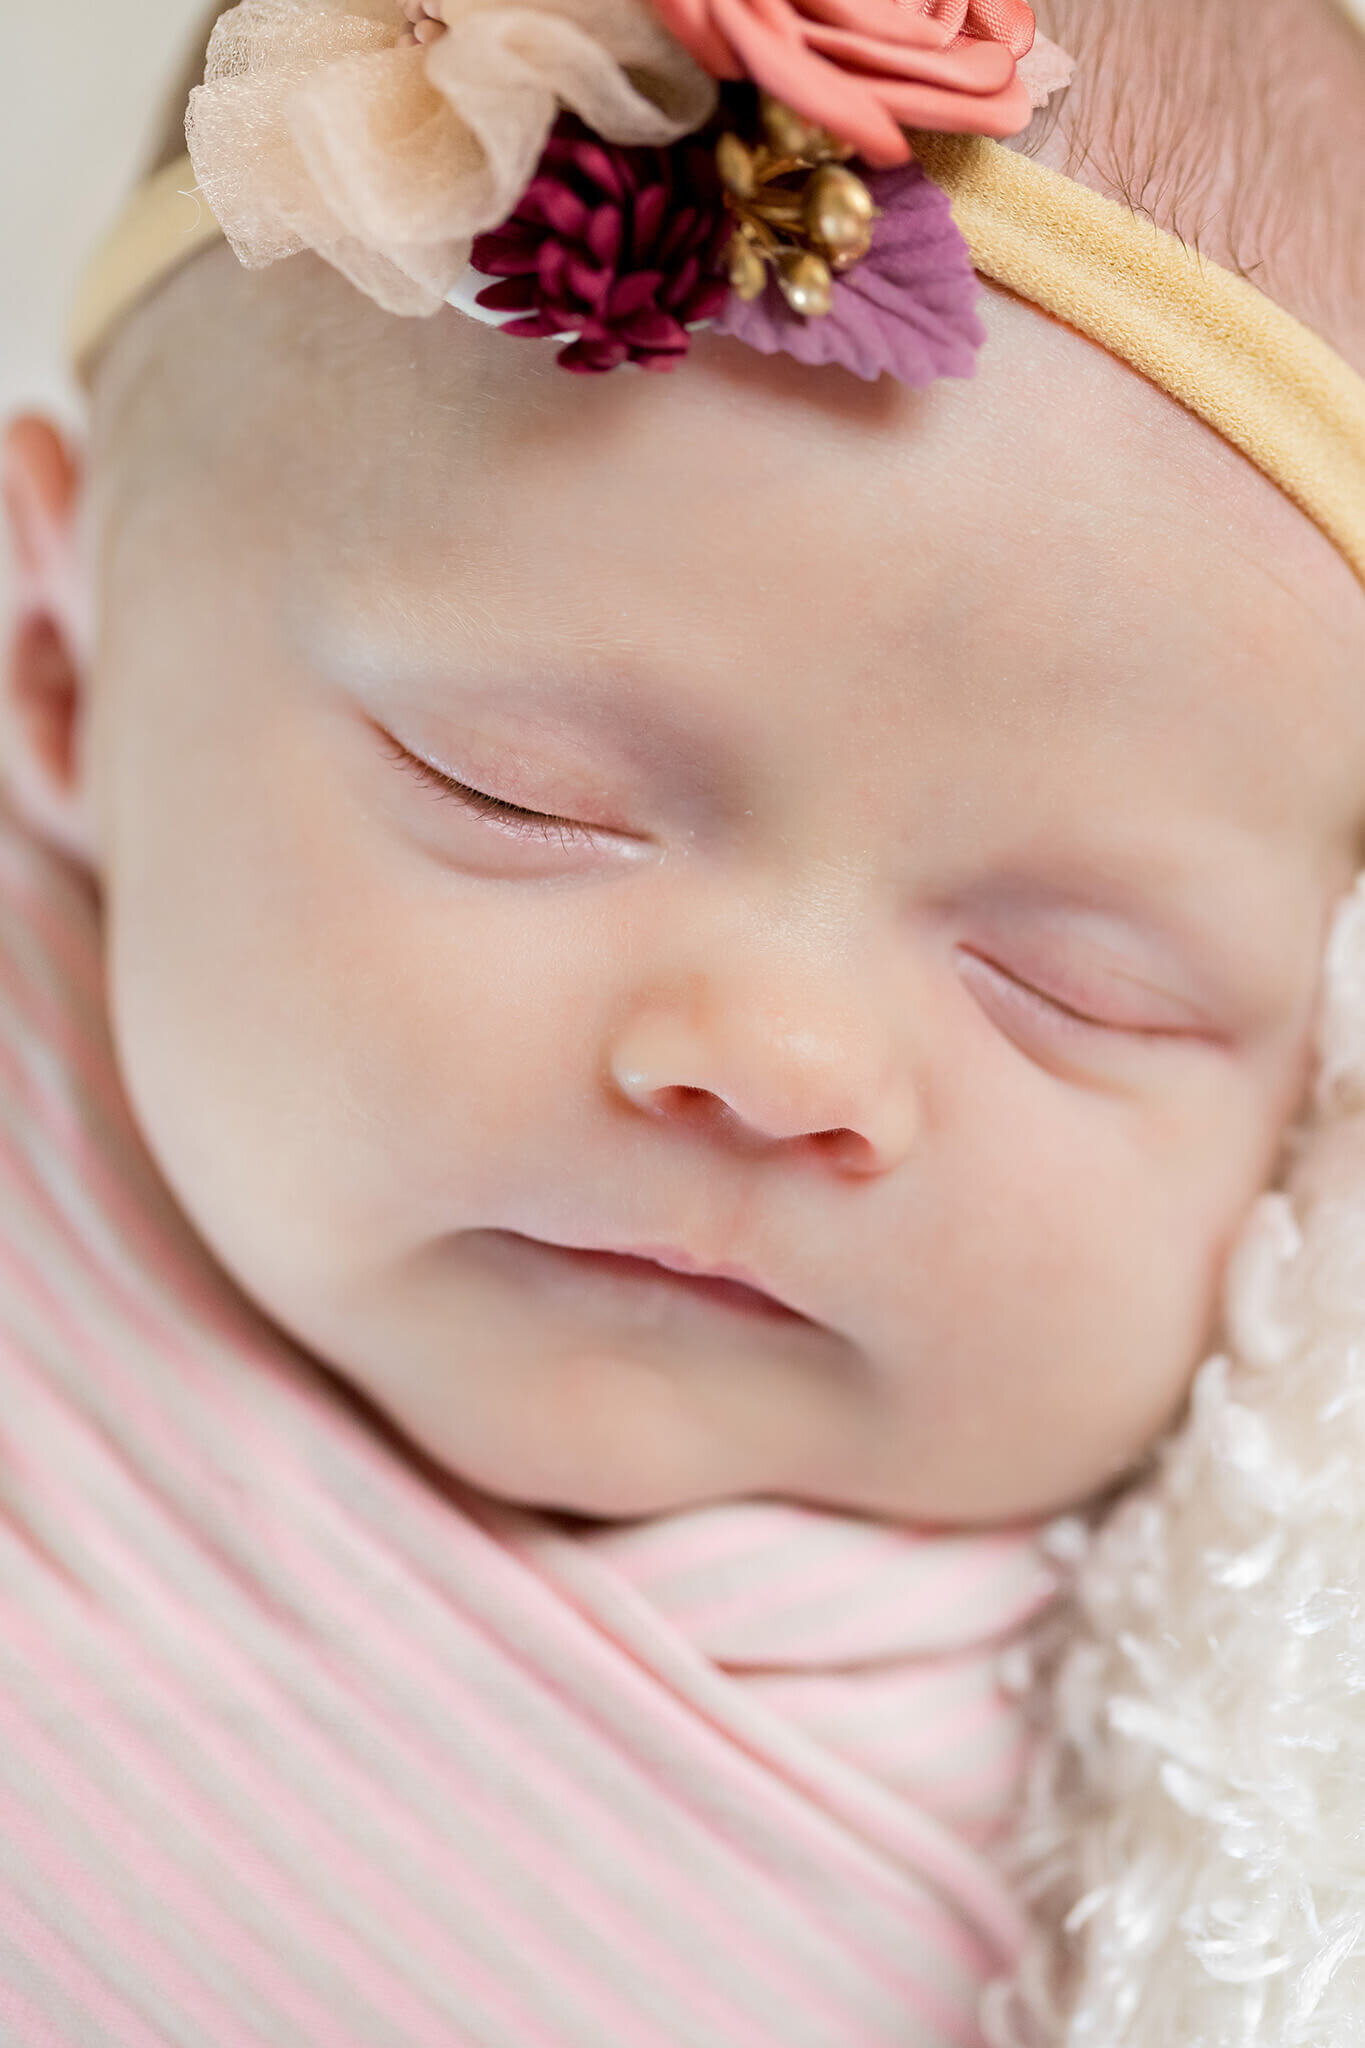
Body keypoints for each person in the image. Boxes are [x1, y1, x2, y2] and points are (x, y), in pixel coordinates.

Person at [0, 0, 1361, 2040]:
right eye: (518, 794)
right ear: (59, 664)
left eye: (1079, 983)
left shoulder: (1243, 1764)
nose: (775, 1058)